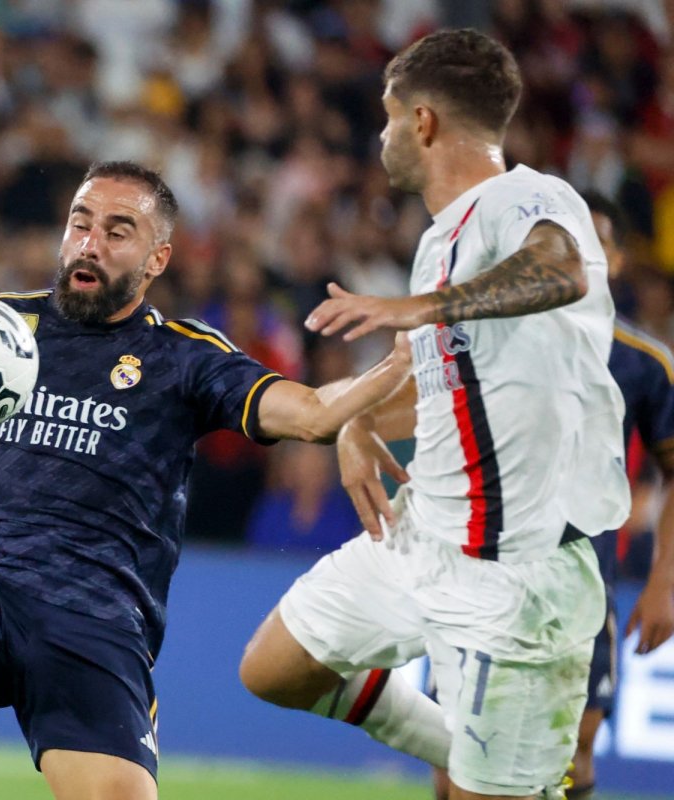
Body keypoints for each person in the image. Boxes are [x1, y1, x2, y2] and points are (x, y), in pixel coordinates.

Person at [0, 160, 412, 800]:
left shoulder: (185, 359)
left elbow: (310, 412)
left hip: (95, 625)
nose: (90, 243)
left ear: (157, 259)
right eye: (80, 222)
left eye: (119, 231)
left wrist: (388, 371)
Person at [236, 29, 630, 800]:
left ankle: (501, 776)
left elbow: (558, 268)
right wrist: (356, 423)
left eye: (387, 119)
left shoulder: (528, 196)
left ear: (422, 122)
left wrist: (417, 307)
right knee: (274, 668)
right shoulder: (441, 239)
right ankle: (479, 758)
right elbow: (445, 380)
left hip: (516, 575)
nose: (381, 137)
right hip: (423, 538)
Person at [428, 195, 674, 800]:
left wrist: (665, 581)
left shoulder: (643, 363)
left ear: (614, 259)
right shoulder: (484, 339)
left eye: (594, 243)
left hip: (580, 584)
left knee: (574, 757)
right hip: (481, 572)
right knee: (450, 752)